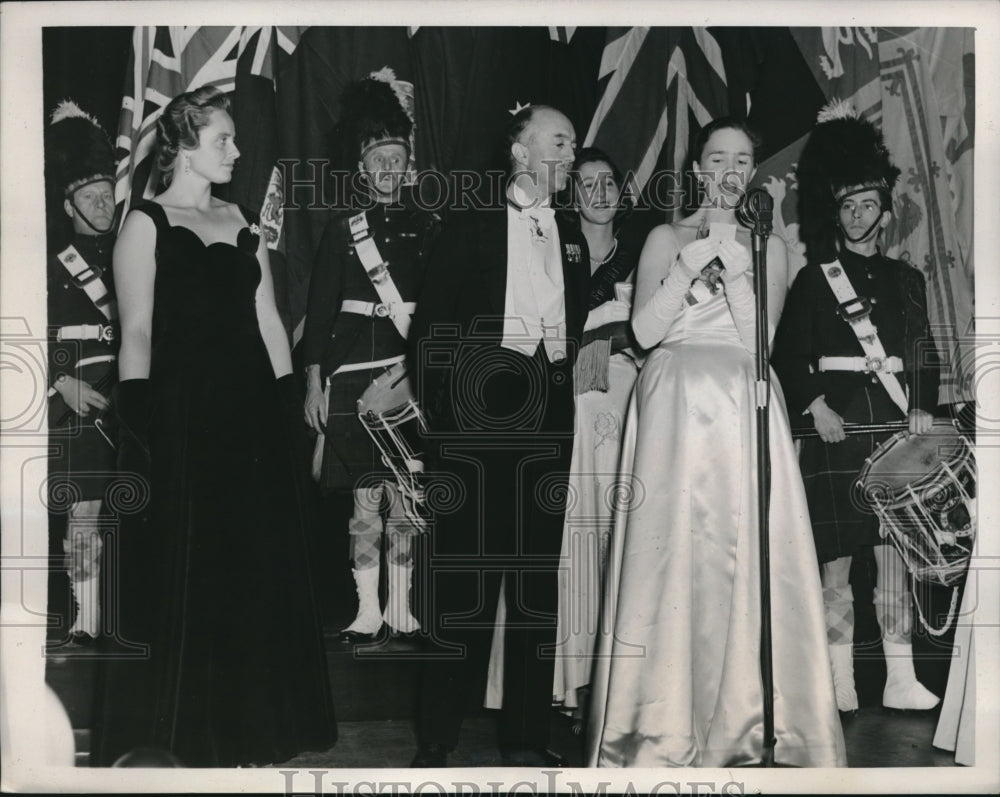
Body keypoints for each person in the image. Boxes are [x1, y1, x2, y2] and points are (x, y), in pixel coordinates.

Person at [586, 118, 846, 767]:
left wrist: (736, 272)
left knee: (747, 555)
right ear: (699, 168)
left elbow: (764, 342)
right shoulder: (663, 236)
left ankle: (747, 724)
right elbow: (644, 333)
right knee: (667, 559)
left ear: (751, 171)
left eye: (742, 160)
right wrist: (686, 268)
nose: (729, 170)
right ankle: (652, 727)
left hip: (742, 401)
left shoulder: (771, 247)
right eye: (717, 158)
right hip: (672, 403)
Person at [90, 86, 336, 767]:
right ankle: (187, 740)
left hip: (252, 416)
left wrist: (288, 405)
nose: (236, 149)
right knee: (191, 573)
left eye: (233, 138)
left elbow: (266, 321)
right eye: (223, 139)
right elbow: (135, 329)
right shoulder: (145, 222)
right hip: (182, 416)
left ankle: (254, 731)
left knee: (253, 571)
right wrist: (141, 418)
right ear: (183, 146)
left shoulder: (240, 215)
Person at [408, 105, 589, 767]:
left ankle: (523, 736)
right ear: (520, 148)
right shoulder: (470, 220)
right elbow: (429, 329)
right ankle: (436, 739)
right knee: (465, 581)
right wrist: (448, 423)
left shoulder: (568, 227)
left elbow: (575, 313)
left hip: (548, 415)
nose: (572, 153)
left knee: (536, 580)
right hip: (477, 415)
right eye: (560, 140)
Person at [771, 103, 941, 714]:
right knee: (837, 559)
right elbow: (787, 356)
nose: (859, 214)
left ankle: (900, 676)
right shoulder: (814, 281)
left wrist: (921, 406)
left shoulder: (906, 280)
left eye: (868, 204)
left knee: (893, 553)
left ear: (885, 211)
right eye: (847, 205)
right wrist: (814, 404)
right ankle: (837, 678)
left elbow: (923, 354)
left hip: (894, 430)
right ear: (833, 211)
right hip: (839, 429)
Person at [483, 147, 641, 725]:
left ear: (622, 195)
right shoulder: (554, 245)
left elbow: (656, 325)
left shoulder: (643, 255)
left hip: (621, 408)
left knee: (612, 533)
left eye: (609, 183)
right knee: (560, 540)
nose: (599, 193)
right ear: (572, 194)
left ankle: (609, 684)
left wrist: (613, 342)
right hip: (563, 404)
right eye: (587, 183)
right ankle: (552, 684)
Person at [302, 70, 439, 643]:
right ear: (362, 167)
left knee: (406, 500)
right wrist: (313, 382)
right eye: (377, 157)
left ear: (410, 165)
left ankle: (403, 605)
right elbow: (321, 310)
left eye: (396, 156)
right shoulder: (341, 230)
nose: (387, 167)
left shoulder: (433, 227)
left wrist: (421, 371)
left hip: (405, 376)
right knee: (364, 504)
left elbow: (437, 314)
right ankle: (366, 609)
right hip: (352, 373)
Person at [44, 101, 120, 645]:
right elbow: (28, 328)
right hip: (76, 391)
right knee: (85, 510)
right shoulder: (49, 259)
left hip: (131, 387)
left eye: (107, 190)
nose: (103, 202)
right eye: (89, 195)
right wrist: (60, 382)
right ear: (68, 202)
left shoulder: (134, 248)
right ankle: (88, 616)